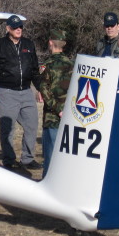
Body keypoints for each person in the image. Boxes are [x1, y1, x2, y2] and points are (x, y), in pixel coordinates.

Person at [0, 14, 42, 169]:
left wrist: (40, 89)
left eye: (20, 27)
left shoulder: (28, 44)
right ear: (8, 28)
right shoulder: (0, 45)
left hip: (26, 91)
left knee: (31, 125)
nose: (18, 29)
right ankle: (9, 160)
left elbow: (35, 70)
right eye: (15, 27)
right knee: (7, 130)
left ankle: (27, 159)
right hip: (7, 92)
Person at [39, 29, 74, 177]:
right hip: (69, 117)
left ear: (50, 43)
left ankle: (47, 183)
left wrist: (58, 109)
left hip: (52, 118)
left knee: (50, 155)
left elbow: (44, 91)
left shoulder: (47, 65)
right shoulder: (72, 65)